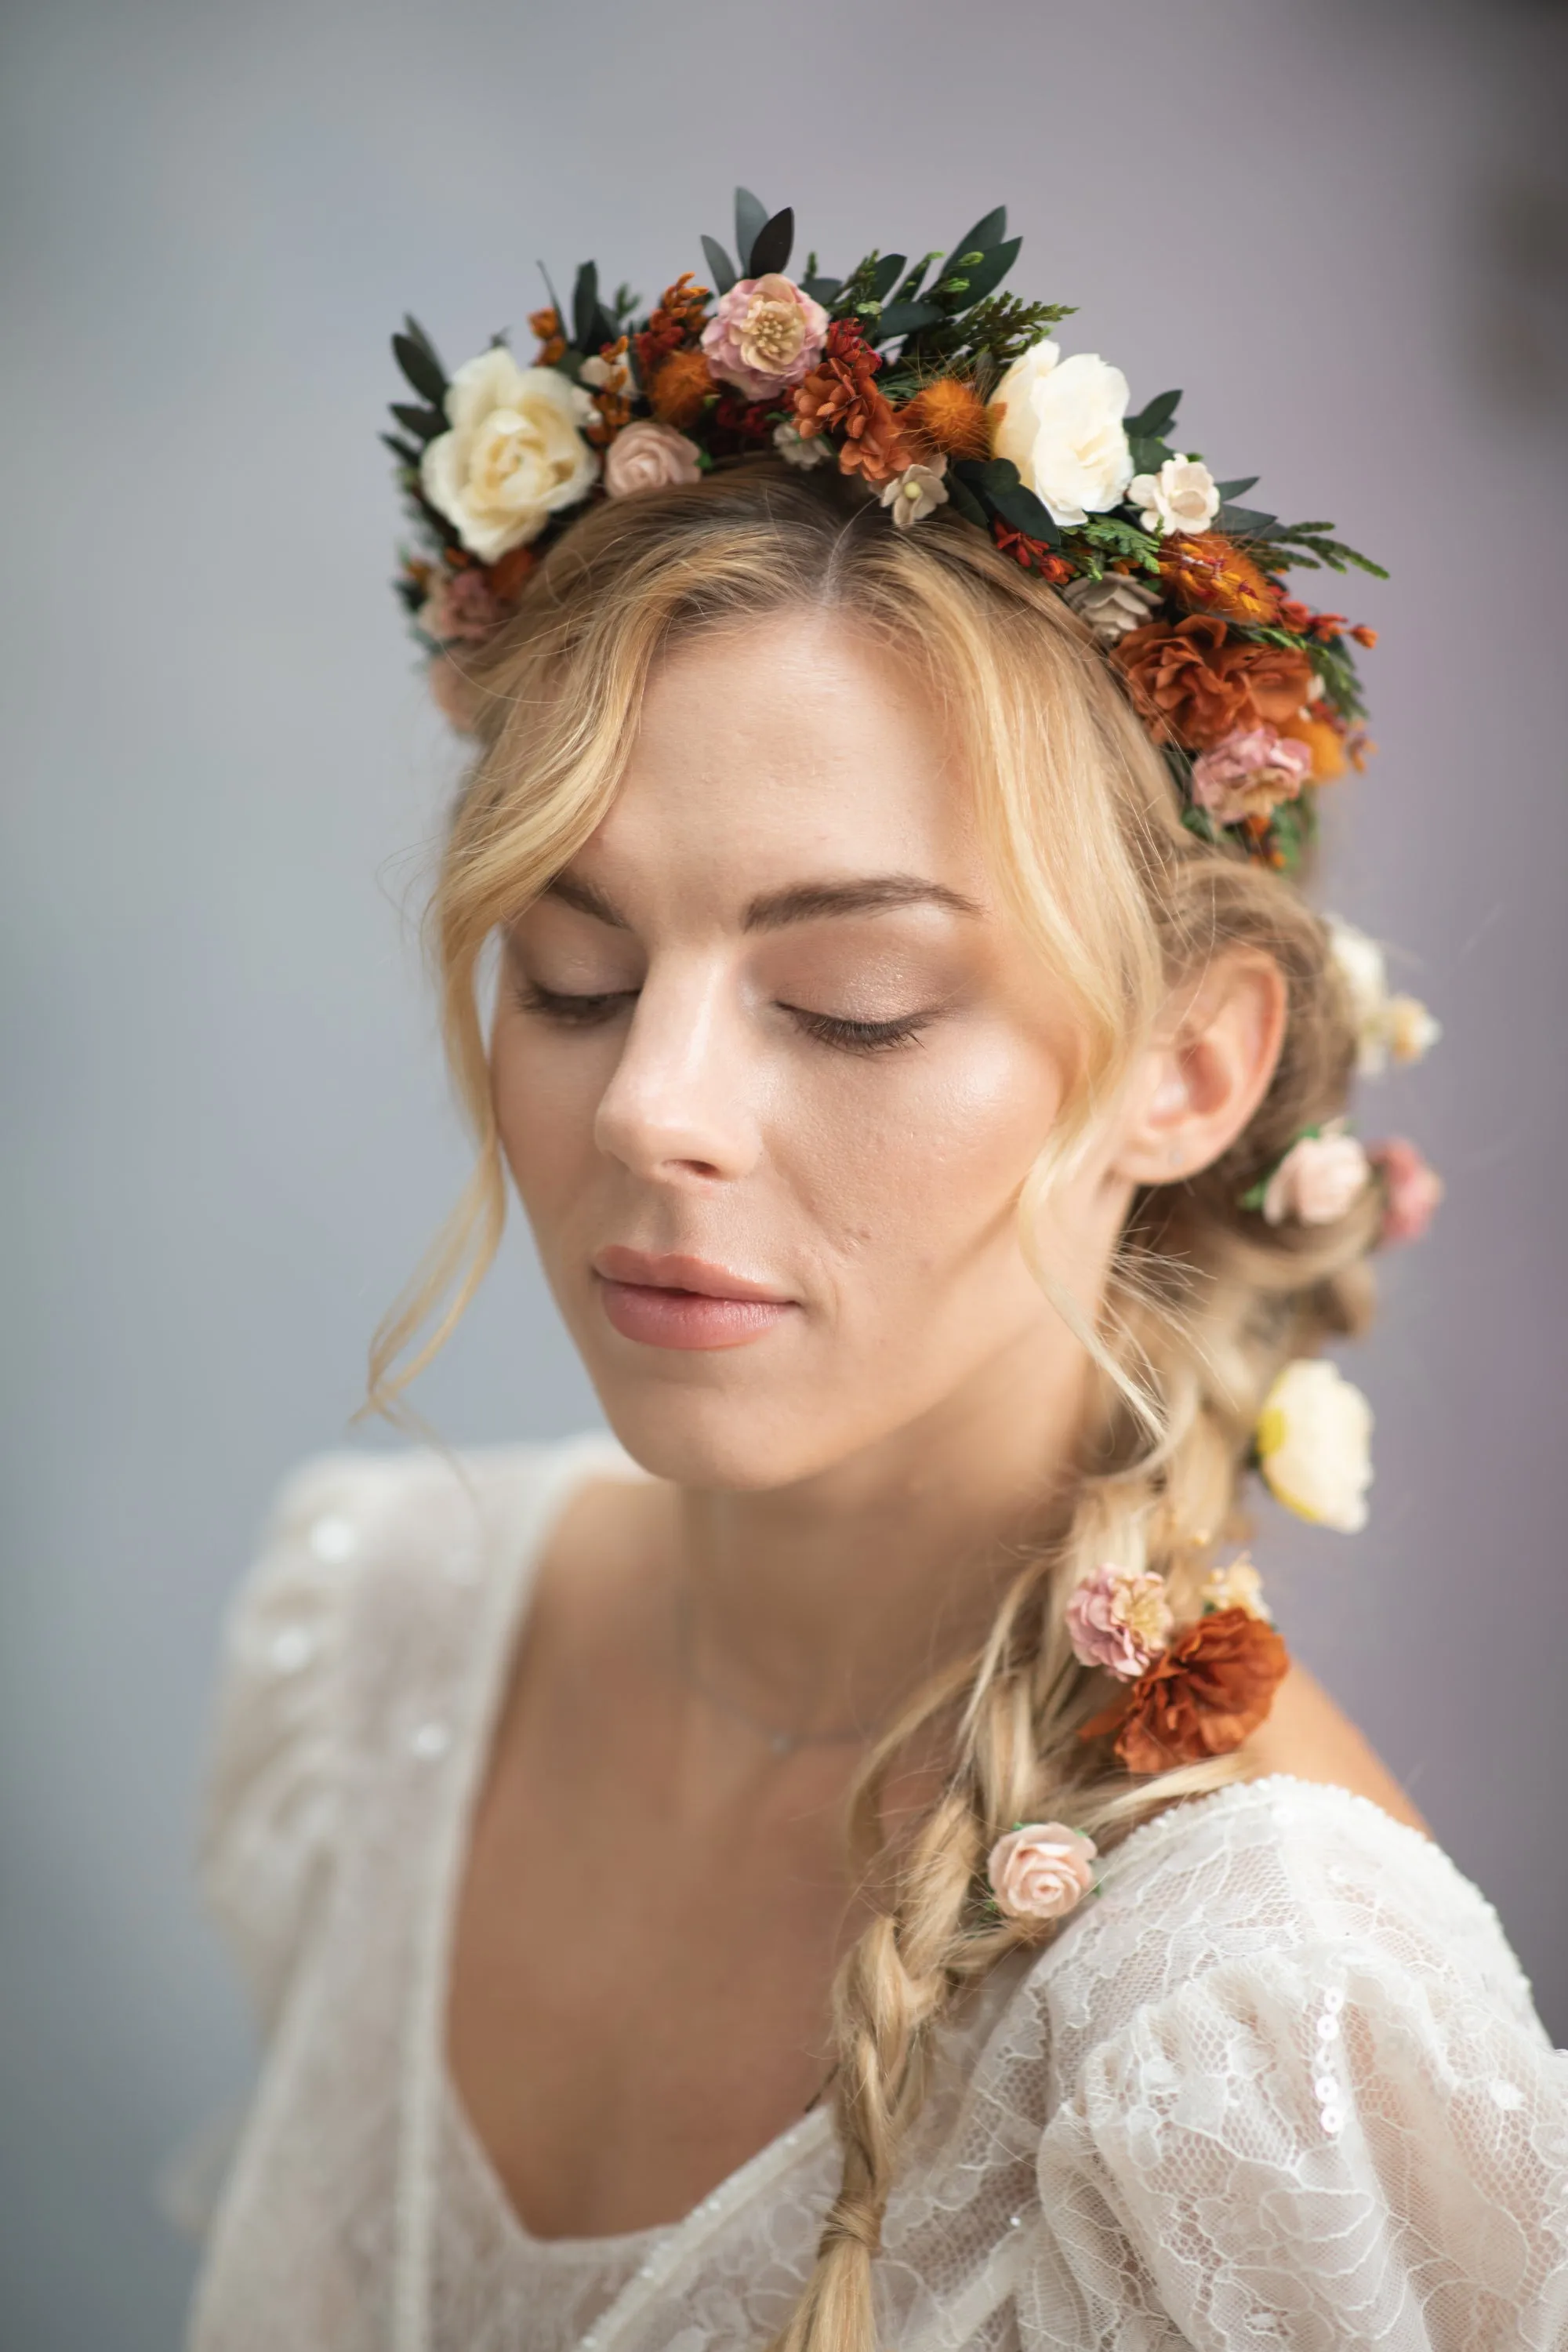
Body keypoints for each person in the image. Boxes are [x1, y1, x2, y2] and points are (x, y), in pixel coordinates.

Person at [187, 198, 1568, 2351]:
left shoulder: (1265, 2023)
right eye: (571, 974)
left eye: (847, 1003)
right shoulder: (379, 1646)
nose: (654, 1107)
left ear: (1190, 1074)